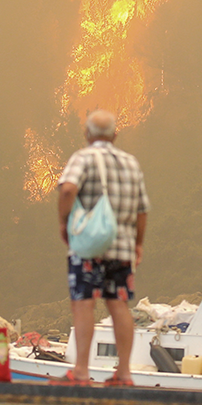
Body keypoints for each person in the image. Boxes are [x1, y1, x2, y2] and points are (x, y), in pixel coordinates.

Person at [55, 109, 149, 386]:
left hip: (88, 247)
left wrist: (64, 223)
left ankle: (81, 372)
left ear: (86, 133)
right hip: (121, 249)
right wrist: (138, 244)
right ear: (115, 135)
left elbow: (69, 189)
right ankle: (124, 372)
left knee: (84, 303)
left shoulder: (83, 157)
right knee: (118, 304)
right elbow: (142, 210)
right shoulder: (131, 163)